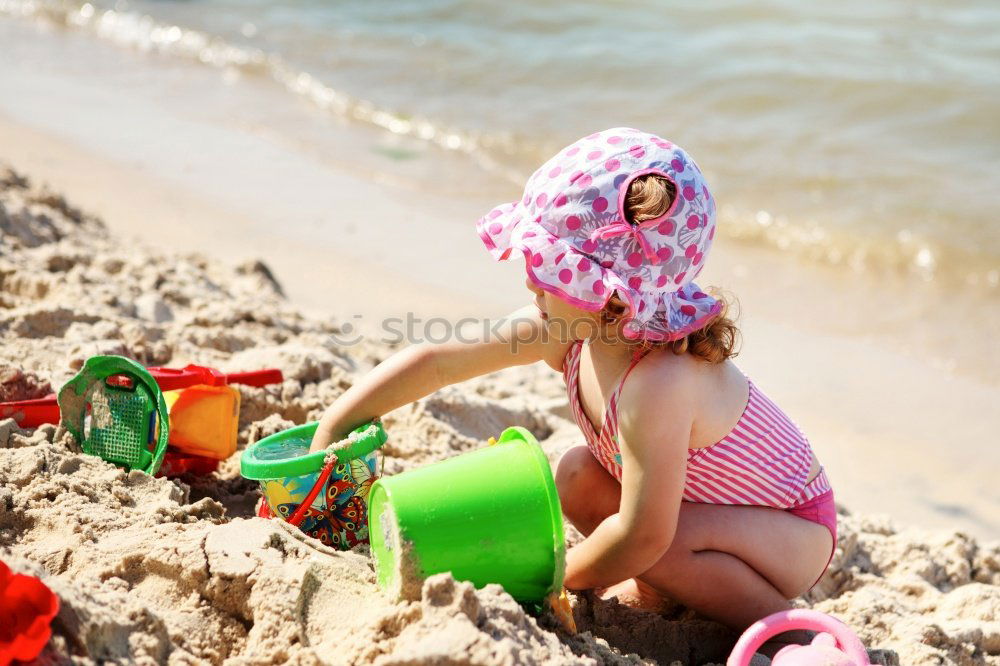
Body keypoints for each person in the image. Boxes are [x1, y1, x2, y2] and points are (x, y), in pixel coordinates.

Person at [309, 127, 837, 637]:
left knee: (661, 543)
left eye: (550, 269)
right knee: (576, 472)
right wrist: (339, 421)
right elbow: (438, 363)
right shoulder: (565, 329)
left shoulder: (660, 383)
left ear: (610, 296)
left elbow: (642, 534)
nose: (528, 278)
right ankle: (665, 590)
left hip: (787, 530)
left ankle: (784, 628)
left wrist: (549, 580)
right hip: (703, 513)